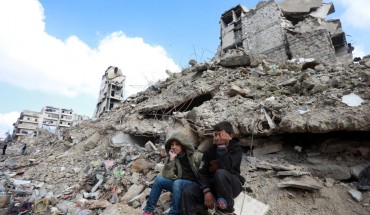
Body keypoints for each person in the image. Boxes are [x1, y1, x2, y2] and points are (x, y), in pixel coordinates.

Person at [181, 121, 245, 215]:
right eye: (215, 135)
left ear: (230, 136)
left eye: (221, 135)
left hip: (231, 186)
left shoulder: (236, 149)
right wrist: (206, 191)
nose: (217, 138)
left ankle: (227, 211)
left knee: (220, 173)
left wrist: (222, 147)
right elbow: (202, 172)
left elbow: (227, 168)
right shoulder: (210, 151)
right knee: (188, 191)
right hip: (214, 186)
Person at [143, 131, 201, 215]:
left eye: (177, 144)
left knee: (178, 182)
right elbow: (167, 175)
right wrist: (171, 160)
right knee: (159, 180)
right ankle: (148, 211)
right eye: (172, 144)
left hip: (194, 186)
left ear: (183, 145)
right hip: (180, 185)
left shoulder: (195, 156)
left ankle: (174, 212)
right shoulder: (172, 157)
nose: (174, 147)